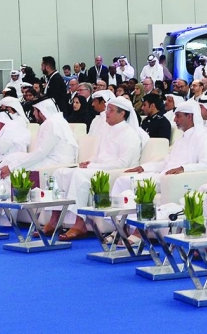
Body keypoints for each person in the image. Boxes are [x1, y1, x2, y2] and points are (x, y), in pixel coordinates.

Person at [44, 97, 149, 239]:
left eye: (110, 110)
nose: (106, 113)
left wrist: (93, 165)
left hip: (114, 172)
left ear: (122, 113)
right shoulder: (106, 130)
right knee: (59, 172)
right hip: (97, 168)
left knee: (79, 176)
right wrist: (88, 162)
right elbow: (98, 155)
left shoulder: (130, 134)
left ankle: (79, 223)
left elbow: (123, 163)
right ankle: (55, 220)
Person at [111, 100, 207, 196]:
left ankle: (125, 214)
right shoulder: (181, 138)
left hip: (176, 179)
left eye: (178, 116)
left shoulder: (203, 136)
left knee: (126, 182)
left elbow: (206, 164)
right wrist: (144, 167)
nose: (174, 120)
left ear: (190, 117)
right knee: (123, 179)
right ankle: (117, 214)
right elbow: (166, 163)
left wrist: (183, 168)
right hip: (163, 175)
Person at [0, 97, 78, 181]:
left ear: (42, 112)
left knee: (15, 171)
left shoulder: (51, 123)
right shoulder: (56, 121)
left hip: (56, 163)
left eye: (35, 110)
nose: (33, 113)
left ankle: (5, 191)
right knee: (11, 157)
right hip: (51, 159)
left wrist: (11, 168)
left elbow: (41, 152)